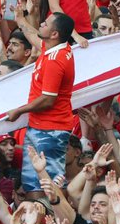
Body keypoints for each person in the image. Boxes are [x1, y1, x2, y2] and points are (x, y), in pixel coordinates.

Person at [6, 12, 76, 192]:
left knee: (48, 189)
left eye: (45, 24)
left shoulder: (55, 61)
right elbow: (35, 38)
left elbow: (47, 100)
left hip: (49, 132)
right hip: (41, 128)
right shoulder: (54, 47)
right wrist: (21, 20)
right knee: (32, 186)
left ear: (54, 34)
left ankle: (53, 220)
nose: (41, 25)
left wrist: (19, 111)